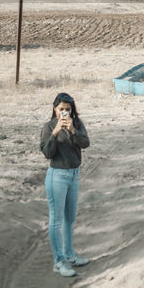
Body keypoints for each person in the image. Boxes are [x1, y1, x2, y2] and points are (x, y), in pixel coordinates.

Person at [39, 92, 91, 277]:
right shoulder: (49, 126)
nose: (64, 113)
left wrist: (73, 131)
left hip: (74, 175)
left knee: (70, 218)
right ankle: (58, 261)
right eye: (61, 109)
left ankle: (69, 255)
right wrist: (55, 133)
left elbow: (85, 143)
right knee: (56, 219)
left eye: (68, 110)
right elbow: (47, 153)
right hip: (57, 176)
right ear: (55, 109)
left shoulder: (76, 124)